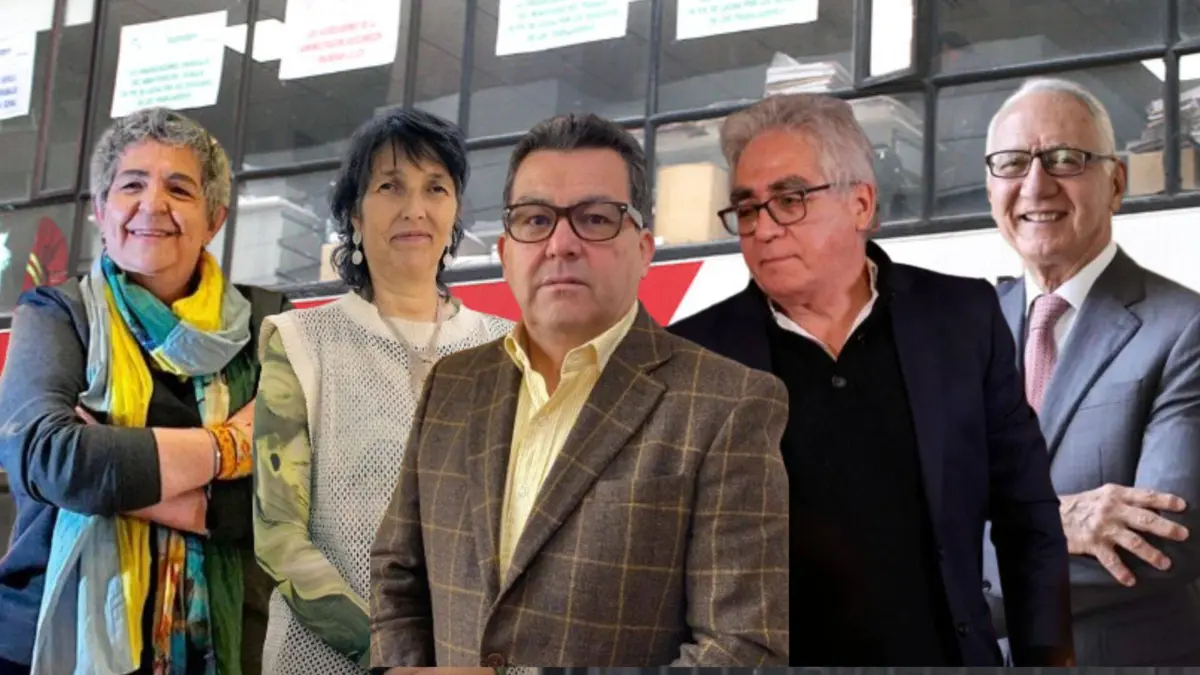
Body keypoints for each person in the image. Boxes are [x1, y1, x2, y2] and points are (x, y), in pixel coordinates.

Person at [369, 113, 790, 668]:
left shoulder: (729, 405)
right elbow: (397, 577)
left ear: (644, 249)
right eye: (536, 219)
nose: (561, 244)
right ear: (506, 253)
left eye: (595, 219)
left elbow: (742, 652)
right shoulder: (451, 386)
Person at [669, 93, 1074, 666]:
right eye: (748, 208)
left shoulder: (962, 317)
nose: (763, 228)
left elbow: (1026, 514)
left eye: (789, 200)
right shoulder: (692, 355)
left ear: (860, 203)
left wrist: (1049, 659)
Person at [0, 108, 283, 675]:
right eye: (132, 185)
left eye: (179, 188)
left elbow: (288, 500)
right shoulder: (58, 315)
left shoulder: (269, 325)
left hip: (230, 644)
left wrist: (108, 474)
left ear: (214, 219)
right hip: (44, 643)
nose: (153, 204)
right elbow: (49, 459)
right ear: (101, 211)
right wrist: (230, 448)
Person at [251, 107, 512, 674]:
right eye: (390, 186)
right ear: (354, 213)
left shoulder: (511, 352)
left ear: (454, 211)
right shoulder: (300, 343)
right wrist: (393, 659)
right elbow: (279, 538)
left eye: (435, 188)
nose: (415, 208)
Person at [983, 77, 1200, 665]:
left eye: (1065, 158)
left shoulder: (1185, 329)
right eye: (1012, 163)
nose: (1036, 185)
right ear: (990, 186)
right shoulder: (956, 336)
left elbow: (1162, 542)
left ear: (1116, 182)